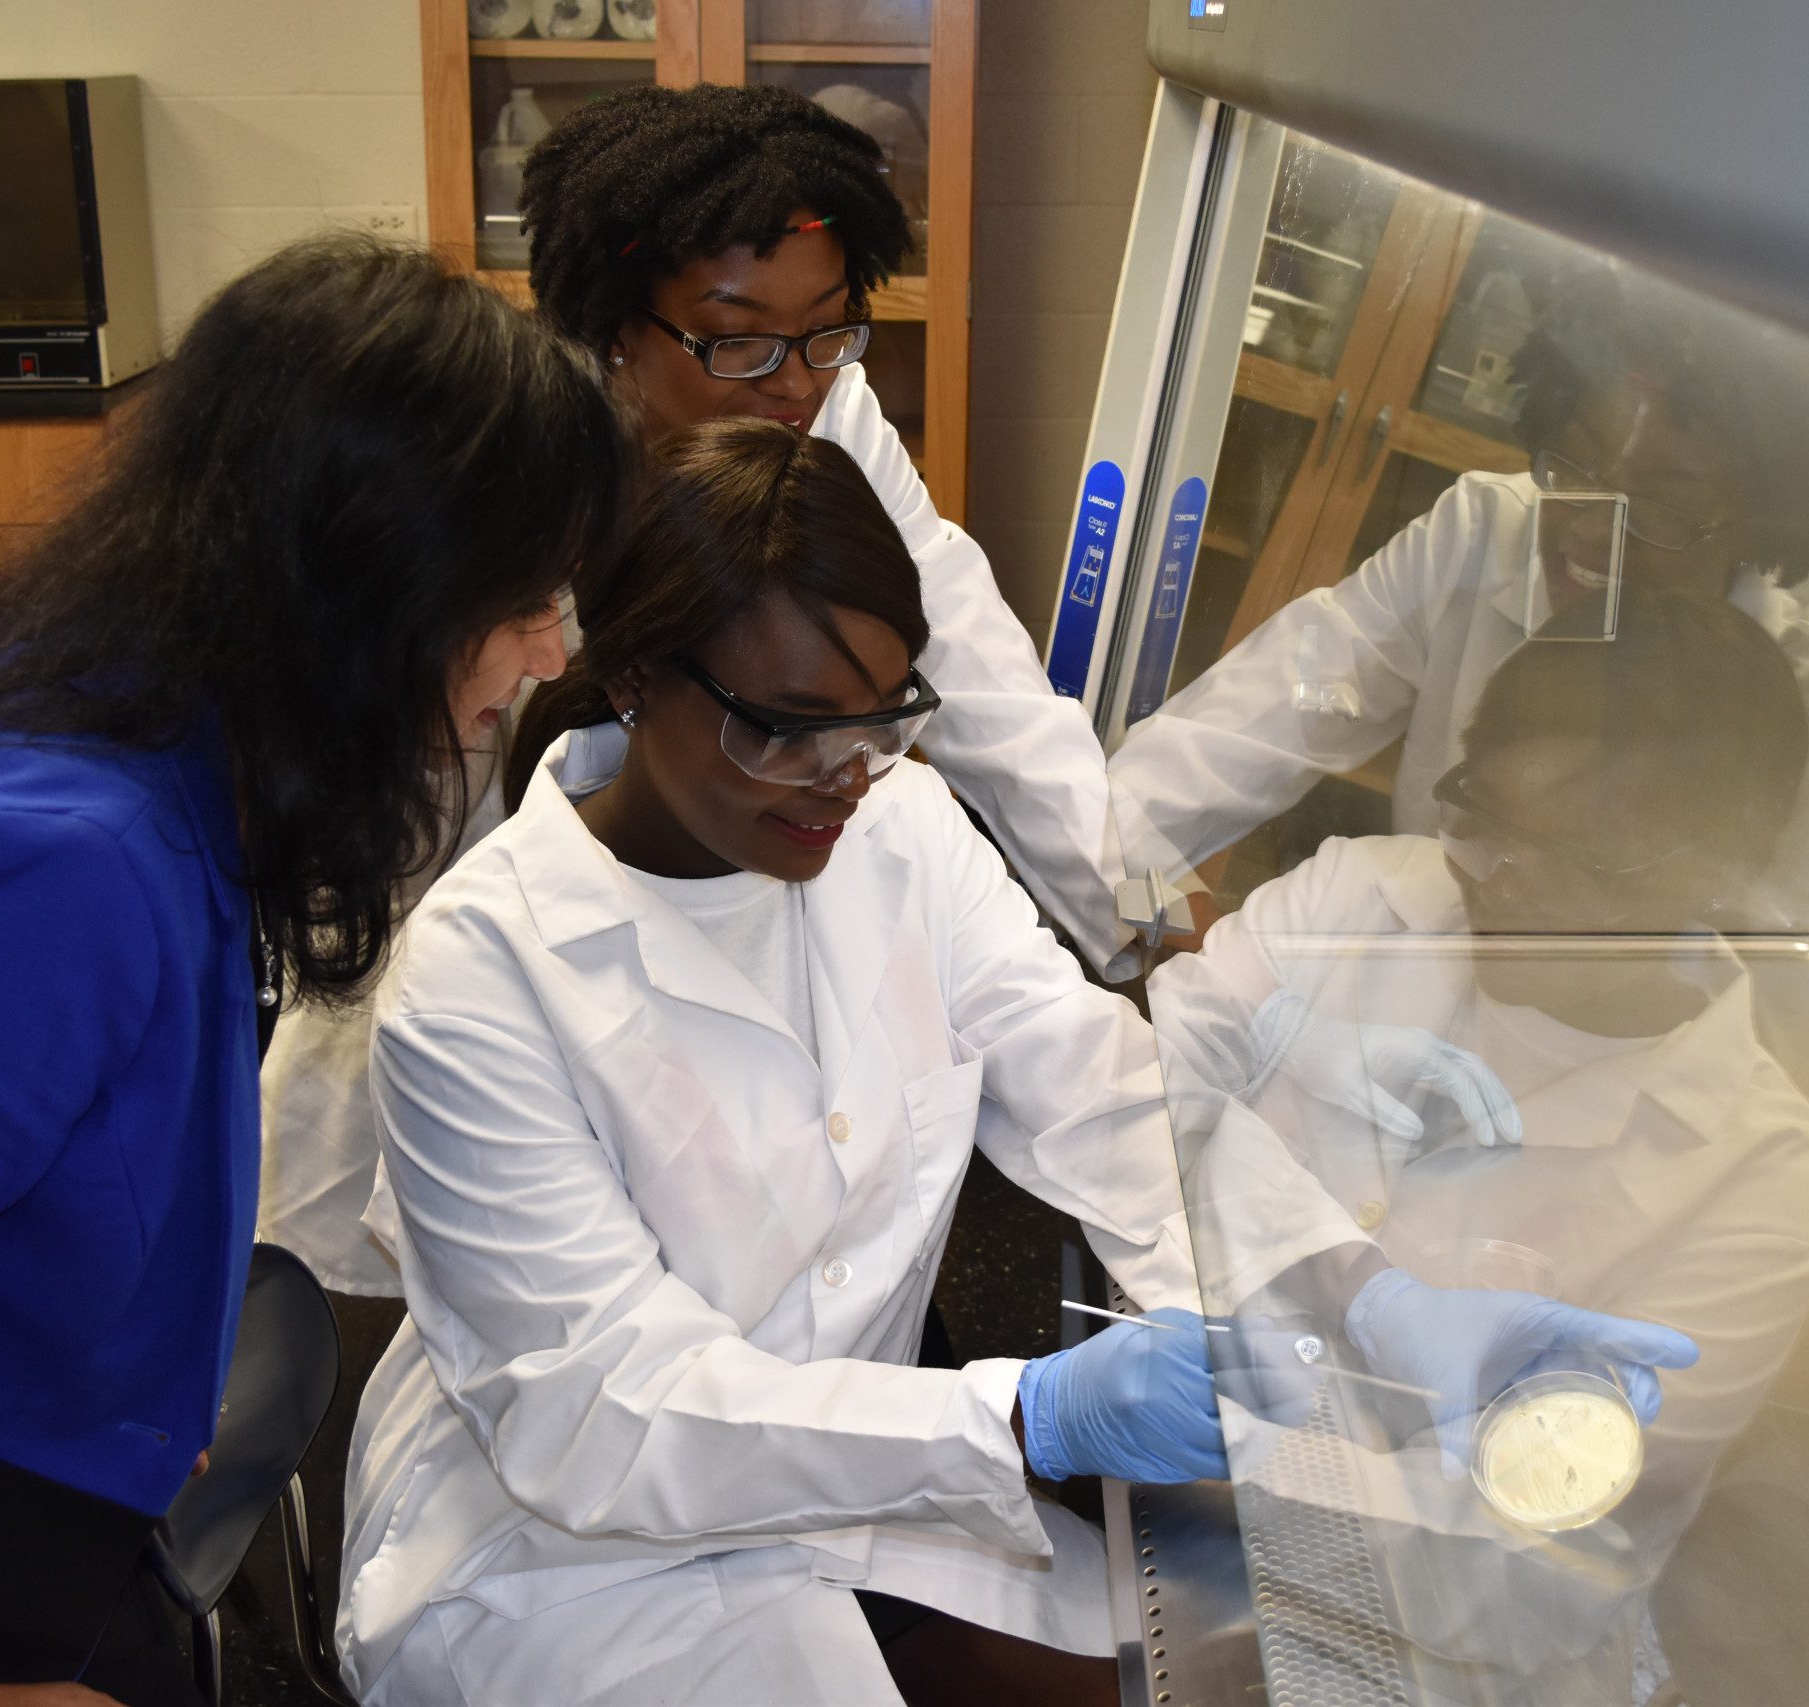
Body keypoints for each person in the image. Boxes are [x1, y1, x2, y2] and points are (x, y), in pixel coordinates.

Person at [335, 419, 1695, 1705]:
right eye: (783, 726)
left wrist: (1370, 1297)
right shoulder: (482, 981)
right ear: (633, 674)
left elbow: (1107, 1091)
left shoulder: (900, 830)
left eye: (882, 717)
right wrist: (1025, 1415)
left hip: (855, 1504)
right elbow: (608, 1407)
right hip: (562, 1568)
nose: (841, 776)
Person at [0, 236, 628, 1707]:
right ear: (366, 594)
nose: (552, 646)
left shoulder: (124, 701)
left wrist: (138, 1372)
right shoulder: (52, 876)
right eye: (523, 598)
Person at [260, 78, 1132, 1302]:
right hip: (453, 982)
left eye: (828, 331)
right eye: (737, 337)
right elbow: (388, 834)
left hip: (674, 1030)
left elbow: (976, 664)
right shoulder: (517, 469)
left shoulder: (821, 412)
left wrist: (1140, 916)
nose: (791, 382)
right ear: (621, 330)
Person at [1149, 592, 1809, 1703]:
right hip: (1160, 1515)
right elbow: (1141, 1098)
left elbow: (1506, 1546)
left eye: (1574, 861)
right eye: (1485, 816)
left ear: (1717, 876)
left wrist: (1222, 1454)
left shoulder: (1752, 1183)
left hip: (1429, 1657)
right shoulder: (1363, 898)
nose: (1498, 879)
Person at [1110, 262, 1809, 952]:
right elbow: (1250, 725)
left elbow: (1789, 1026)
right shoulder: (1483, 530)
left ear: (1766, 521)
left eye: (1664, 511)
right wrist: (1078, 875)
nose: (1588, 534)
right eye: (1575, 467)